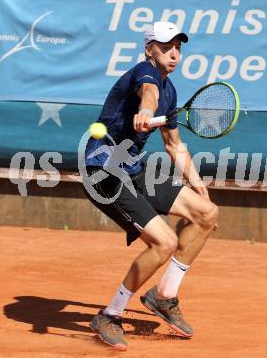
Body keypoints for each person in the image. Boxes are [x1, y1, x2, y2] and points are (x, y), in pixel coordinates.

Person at [83, 21, 219, 351]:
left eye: (178, 47)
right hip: (104, 172)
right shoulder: (143, 75)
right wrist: (145, 109)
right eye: (165, 46)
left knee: (206, 213)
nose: (173, 52)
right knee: (164, 242)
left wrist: (200, 189)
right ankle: (109, 315)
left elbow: (174, 145)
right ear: (149, 50)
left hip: (133, 170)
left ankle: (163, 296)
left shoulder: (170, 91)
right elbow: (149, 93)